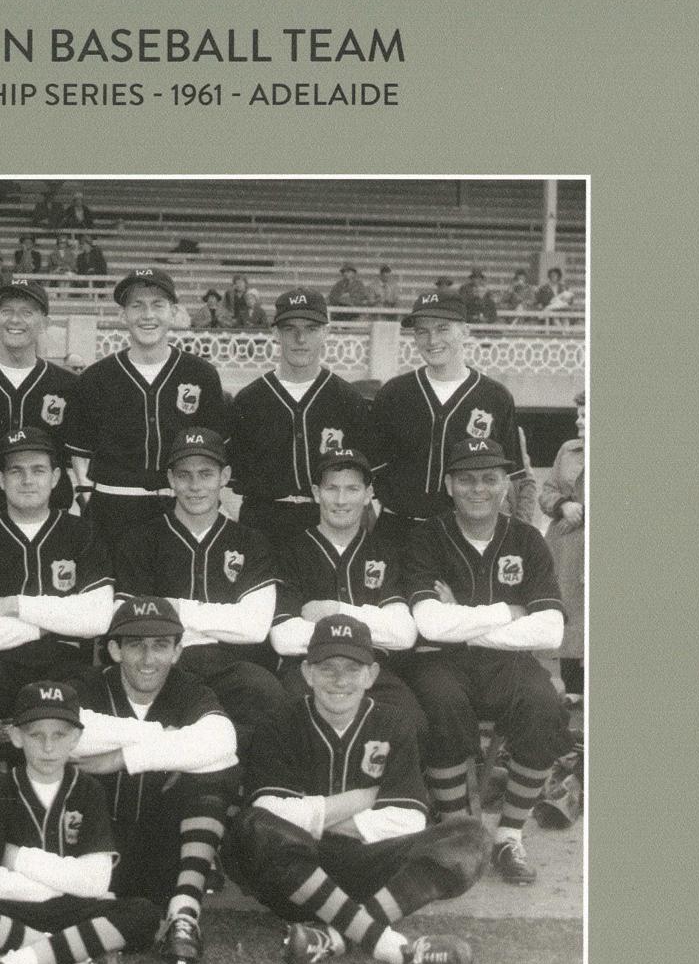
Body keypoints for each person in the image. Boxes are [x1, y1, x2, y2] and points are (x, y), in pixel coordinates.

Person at [227, 615, 487, 964]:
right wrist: (363, 799)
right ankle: (389, 945)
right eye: (327, 668)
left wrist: (310, 817)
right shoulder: (280, 723)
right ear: (307, 672)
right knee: (252, 828)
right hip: (297, 877)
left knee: (471, 836)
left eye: (352, 668)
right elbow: (268, 813)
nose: (339, 680)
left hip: (371, 872)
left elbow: (408, 819)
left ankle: (335, 937)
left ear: (371, 675)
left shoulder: (394, 723)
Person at [403, 438, 567, 886]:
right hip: (443, 662)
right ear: (449, 484)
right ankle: (461, 833)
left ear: (505, 486)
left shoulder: (526, 539)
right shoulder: (428, 536)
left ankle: (508, 835)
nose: (479, 489)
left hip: (507, 663)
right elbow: (429, 624)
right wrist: (507, 612)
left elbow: (551, 629)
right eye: (467, 479)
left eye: (490, 479)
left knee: (545, 704)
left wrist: (463, 619)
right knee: (437, 700)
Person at [0, 681, 159, 964]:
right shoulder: (1, 791)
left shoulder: (89, 791)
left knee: (143, 916)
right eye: (35, 735)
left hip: (68, 912)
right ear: (15, 736)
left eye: (60, 735)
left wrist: (16, 858)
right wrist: (59, 885)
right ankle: (74, 957)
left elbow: (95, 882)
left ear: (77, 738)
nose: (48, 747)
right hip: (21, 908)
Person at [72, 597, 241, 964]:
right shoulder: (89, 686)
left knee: (217, 767)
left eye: (161, 646)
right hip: (97, 842)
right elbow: (66, 734)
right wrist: (162, 736)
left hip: (162, 843)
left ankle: (184, 914)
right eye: (136, 645)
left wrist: (121, 758)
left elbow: (222, 739)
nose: (149, 659)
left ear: (178, 651)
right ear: (114, 649)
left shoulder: (188, 689)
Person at [112, 427, 287, 762]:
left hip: (234, 667)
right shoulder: (142, 539)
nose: (194, 486)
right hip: (164, 666)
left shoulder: (251, 542)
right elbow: (126, 618)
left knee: (270, 701)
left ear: (225, 477)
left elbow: (254, 627)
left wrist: (174, 609)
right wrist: (220, 618)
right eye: (185, 475)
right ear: (171, 479)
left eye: (206, 474)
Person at [0, 429, 113, 718]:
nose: (27, 480)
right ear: (1, 479)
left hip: (68, 669)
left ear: (55, 477)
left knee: (97, 696)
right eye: (16, 471)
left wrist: (15, 605)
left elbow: (98, 618)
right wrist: (52, 626)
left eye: (38, 470)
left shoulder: (83, 532)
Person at [70, 267, 227, 544]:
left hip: (180, 510)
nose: (147, 315)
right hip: (112, 509)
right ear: (123, 314)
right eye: (137, 306)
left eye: (157, 305)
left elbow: (215, 452)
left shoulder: (201, 375)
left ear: (174, 311)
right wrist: (88, 498)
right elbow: (81, 453)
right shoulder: (96, 378)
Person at [269, 449, 425, 726]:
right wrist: (373, 624)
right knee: (292, 721)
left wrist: (335, 610)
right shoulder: (290, 552)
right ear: (317, 493)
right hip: (309, 671)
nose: (341, 500)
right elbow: (283, 637)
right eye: (332, 488)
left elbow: (403, 634)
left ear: (368, 494)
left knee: (410, 720)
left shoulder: (386, 552)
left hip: (371, 672)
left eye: (352, 489)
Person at [368, 289, 531, 552]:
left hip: (464, 536)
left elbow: (511, 479)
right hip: (396, 533)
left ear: (465, 330)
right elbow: (371, 471)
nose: (432, 340)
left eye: (443, 328)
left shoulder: (495, 397)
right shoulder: (393, 394)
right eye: (422, 331)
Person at [228, 288, 373, 553]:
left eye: (311, 328)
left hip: (327, 524)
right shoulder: (249, 399)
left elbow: (365, 477)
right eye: (289, 328)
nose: (300, 338)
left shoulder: (348, 399)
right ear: (275, 333)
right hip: (262, 526)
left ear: (326, 332)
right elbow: (230, 475)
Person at [0, 276, 80, 527]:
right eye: (6, 311)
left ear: (44, 322)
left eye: (27, 312)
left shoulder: (69, 386)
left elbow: (76, 463)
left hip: (49, 523)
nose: (15, 320)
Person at [539, 390, 585, 702]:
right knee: (569, 609)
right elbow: (547, 491)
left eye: (584, 415)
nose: (578, 421)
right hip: (567, 545)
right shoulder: (568, 450)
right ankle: (573, 691)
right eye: (577, 414)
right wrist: (563, 505)